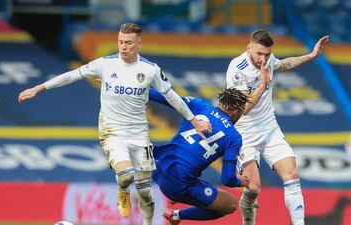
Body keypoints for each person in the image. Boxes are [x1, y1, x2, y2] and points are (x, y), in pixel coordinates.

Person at [18, 23, 211, 225]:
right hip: (112, 131)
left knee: (145, 190)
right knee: (126, 175)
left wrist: (194, 120)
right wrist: (39, 88)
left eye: (128, 42)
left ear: (139, 44)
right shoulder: (105, 64)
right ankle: (122, 191)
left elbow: (172, 97)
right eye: (120, 42)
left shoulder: (150, 69)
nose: (123, 47)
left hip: (139, 134)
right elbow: (71, 76)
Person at [226, 29, 329, 225]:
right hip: (243, 132)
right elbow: (243, 110)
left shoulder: (268, 58)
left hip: (269, 127)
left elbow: (283, 64)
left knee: (292, 173)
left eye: (267, 54)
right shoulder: (237, 70)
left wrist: (311, 56)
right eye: (259, 54)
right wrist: (263, 85)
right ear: (249, 47)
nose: (263, 59)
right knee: (253, 187)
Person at [148, 63, 270, 225]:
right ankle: (176, 215)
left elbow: (164, 98)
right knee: (230, 205)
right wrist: (242, 181)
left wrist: (135, 90)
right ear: (235, 111)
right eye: (242, 111)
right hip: (177, 183)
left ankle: (177, 196)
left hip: (157, 166)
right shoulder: (234, 137)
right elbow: (227, 179)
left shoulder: (200, 105)